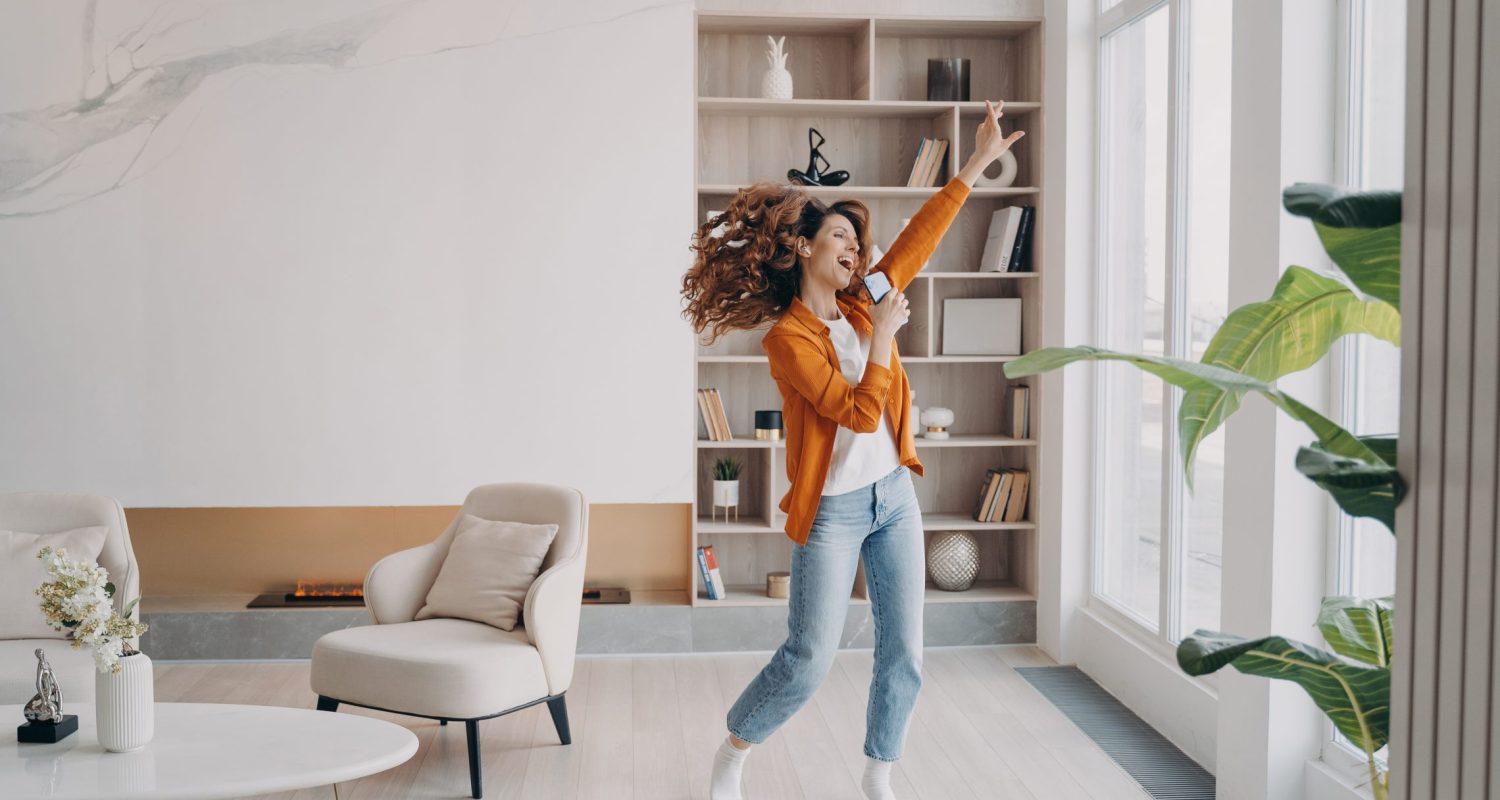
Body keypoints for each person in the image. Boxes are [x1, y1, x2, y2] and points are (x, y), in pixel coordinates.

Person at [680, 101, 1025, 800]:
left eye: (858, 244)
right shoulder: (789, 340)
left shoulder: (867, 300)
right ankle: (734, 749)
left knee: (906, 651)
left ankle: (878, 773)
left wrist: (976, 164)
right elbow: (856, 411)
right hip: (833, 512)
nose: (856, 251)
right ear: (805, 248)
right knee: (809, 659)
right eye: (840, 237)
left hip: (893, 498)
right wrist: (887, 344)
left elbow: (917, 241)